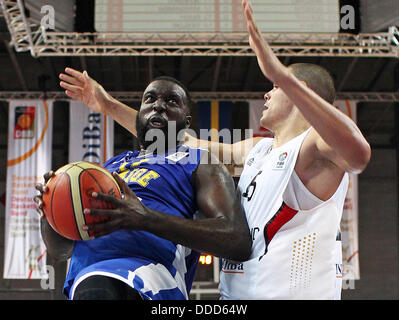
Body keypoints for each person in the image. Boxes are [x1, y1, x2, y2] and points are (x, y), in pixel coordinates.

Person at [57, 1, 371, 300]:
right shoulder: (258, 150)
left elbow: (359, 154)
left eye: (275, 87)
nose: (267, 91)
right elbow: (174, 142)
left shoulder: (315, 148)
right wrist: (107, 105)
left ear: (300, 92)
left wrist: (283, 77)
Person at [35, 76, 252, 300]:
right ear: (139, 113)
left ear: (186, 122)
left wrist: (145, 218)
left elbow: (237, 239)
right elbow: (60, 250)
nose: (158, 105)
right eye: (150, 99)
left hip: (150, 277)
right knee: (95, 286)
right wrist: (50, 211)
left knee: (98, 287)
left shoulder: (199, 162)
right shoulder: (106, 168)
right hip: (87, 275)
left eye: (171, 101)